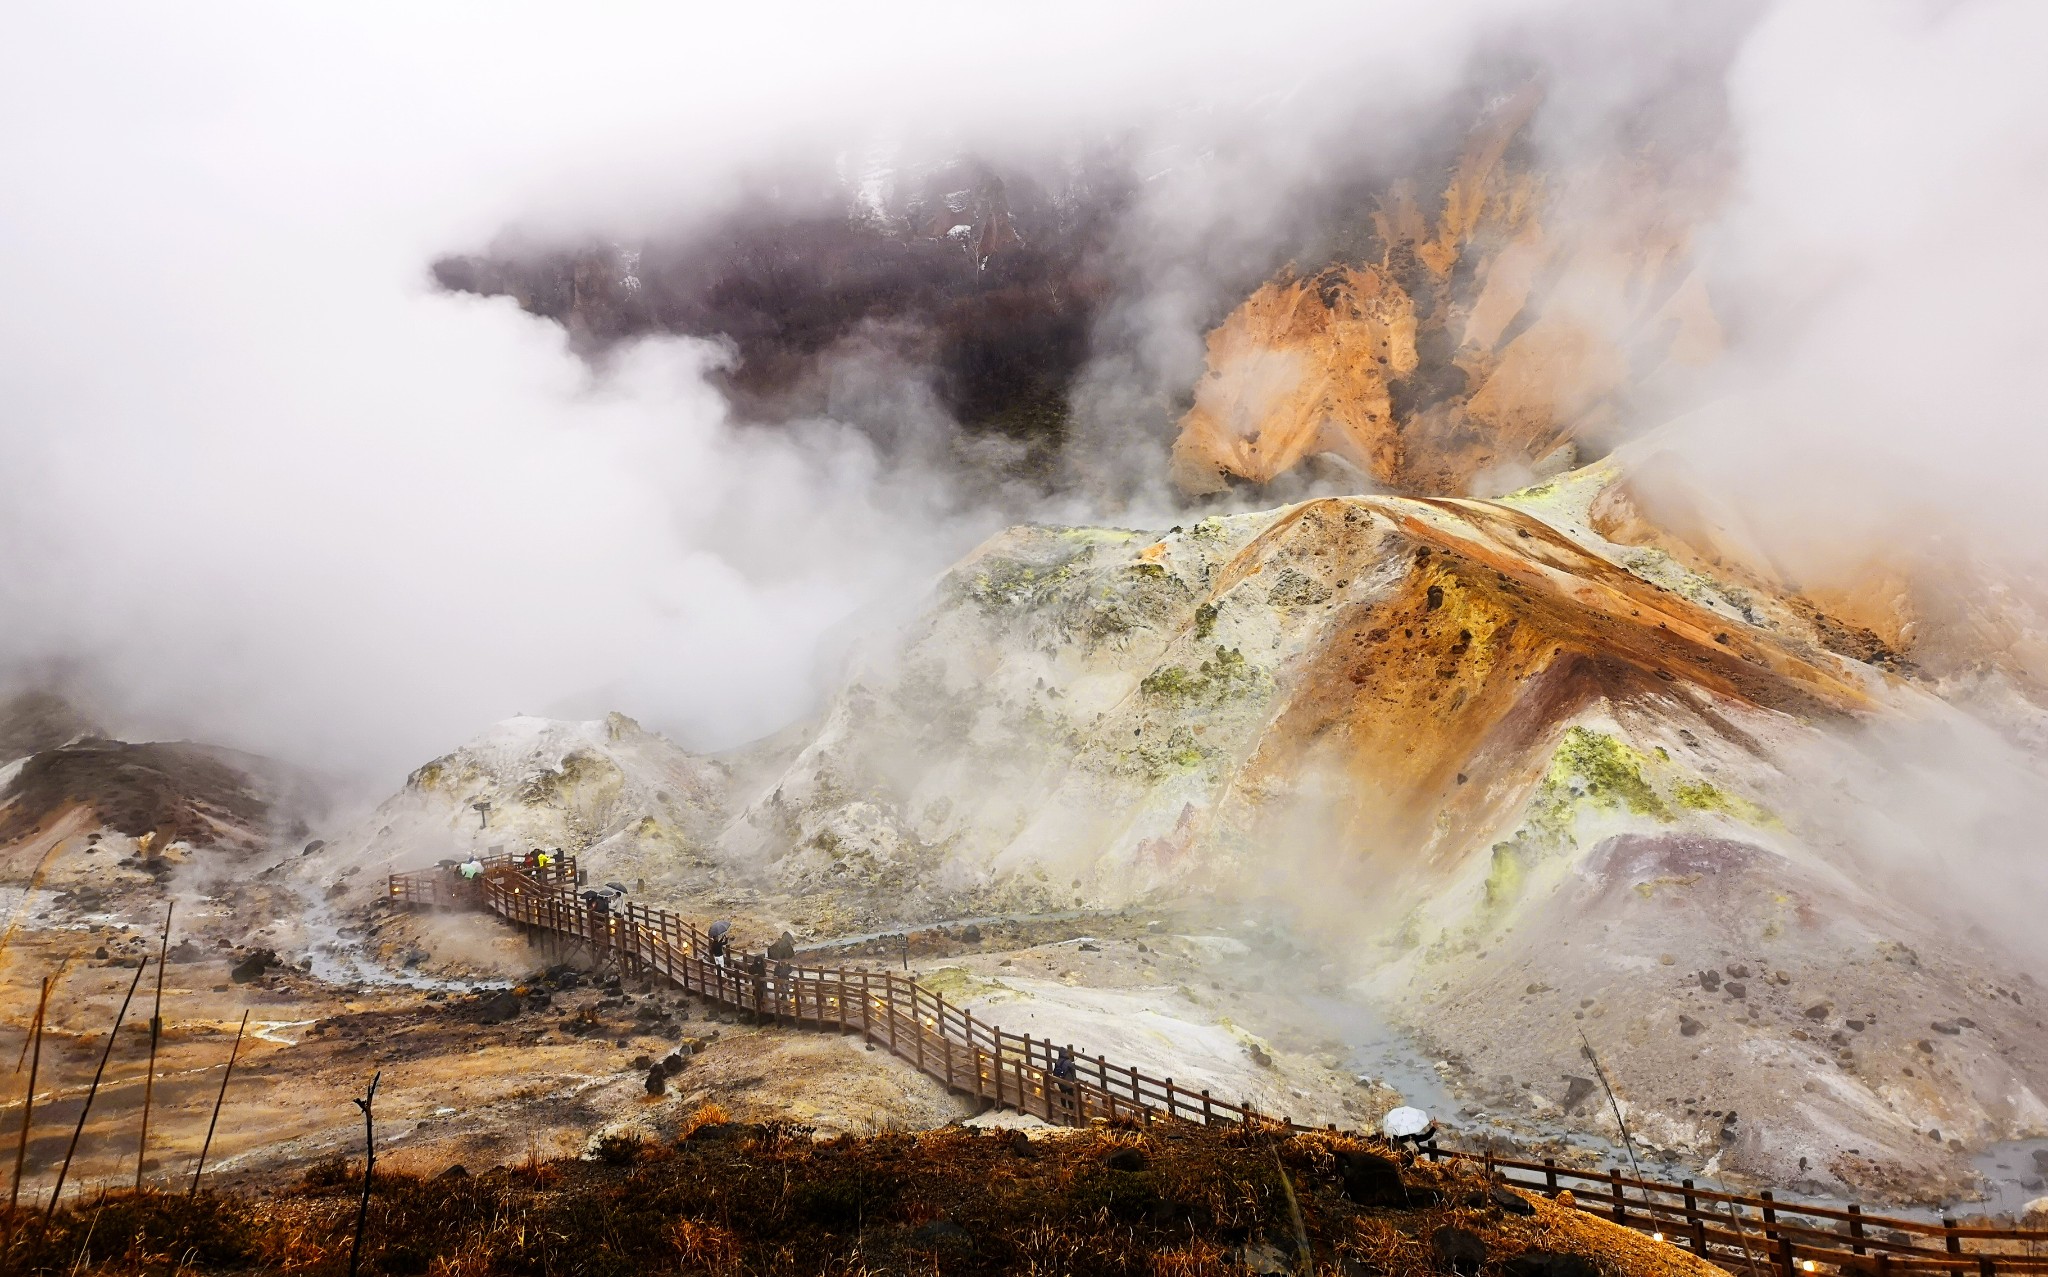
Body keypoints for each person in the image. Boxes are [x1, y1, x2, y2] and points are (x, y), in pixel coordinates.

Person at [1052, 1046, 1078, 1121]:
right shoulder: (1068, 1062)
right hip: (1069, 1082)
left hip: (1061, 1082)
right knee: (1070, 1096)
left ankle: (1064, 1109)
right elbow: (1073, 1072)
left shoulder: (1057, 1061)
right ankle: (1071, 1111)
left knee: (1063, 1095)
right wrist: (1074, 1081)